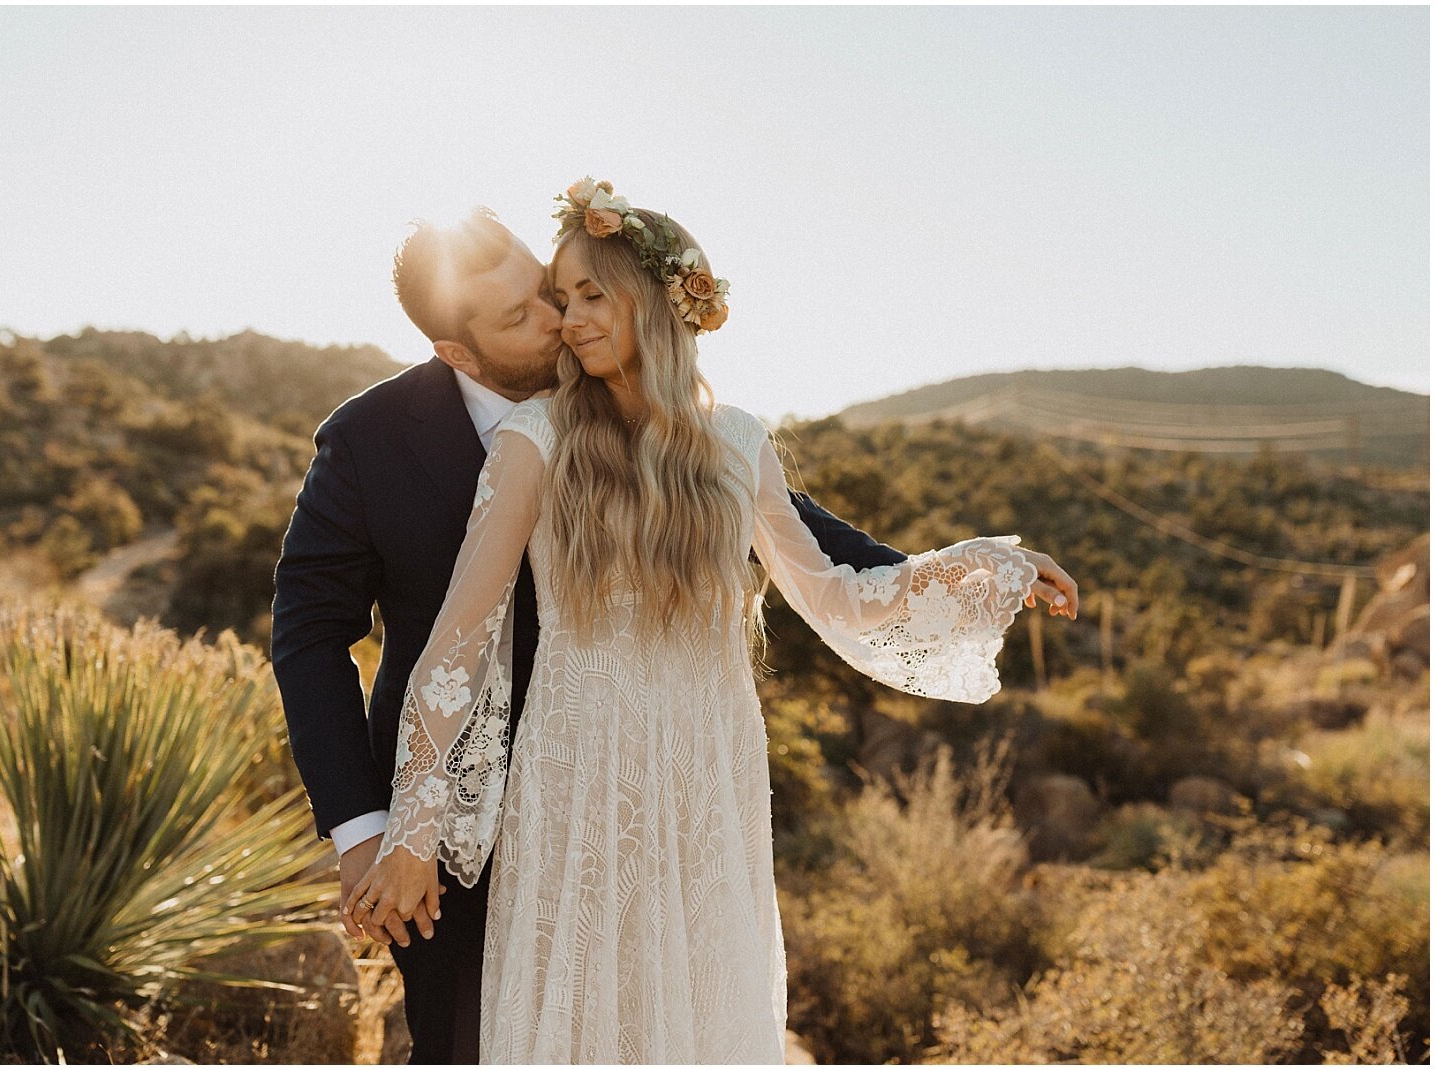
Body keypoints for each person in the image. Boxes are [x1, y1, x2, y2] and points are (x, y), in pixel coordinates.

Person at [347, 179, 1080, 1063]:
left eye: (590, 296)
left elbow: (837, 593)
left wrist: (987, 568)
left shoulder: (737, 442)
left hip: (707, 773)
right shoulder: (534, 438)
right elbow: (456, 647)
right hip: (576, 774)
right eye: (560, 297)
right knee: (578, 1022)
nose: (569, 318)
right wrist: (412, 837)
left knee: (695, 1019)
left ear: (657, 303)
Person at [269, 205, 914, 1063]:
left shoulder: (630, 397)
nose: (555, 320)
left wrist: (946, 576)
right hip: (458, 810)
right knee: (473, 1045)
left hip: (652, 790)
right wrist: (366, 831)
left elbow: (773, 515)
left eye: (548, 291)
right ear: (457, 352)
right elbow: (311, 635)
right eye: (520, 317)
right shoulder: (367, 442)